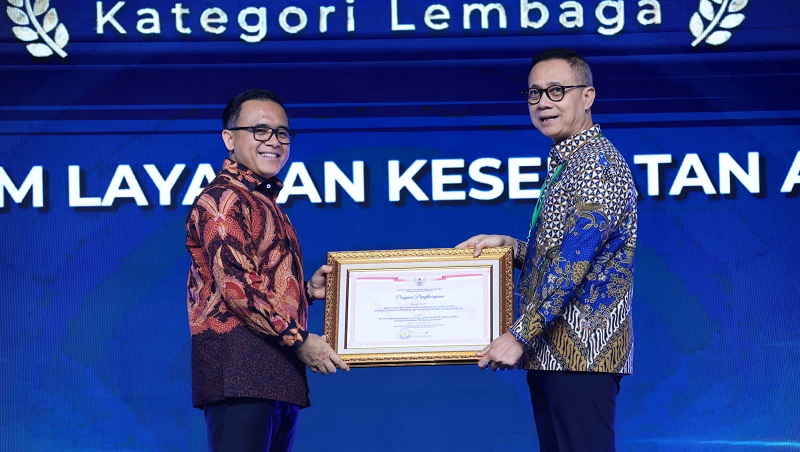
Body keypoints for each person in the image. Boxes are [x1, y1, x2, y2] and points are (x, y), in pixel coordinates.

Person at [457, 48, 637, 451]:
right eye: (534, 93)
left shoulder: (596, 165)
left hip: (581, 356)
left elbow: (575, 264)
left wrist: (519, 336)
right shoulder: (568, 163)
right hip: (554, 354)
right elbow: (570, 253)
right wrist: (513, 248)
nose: (543, 102)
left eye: (557, 90)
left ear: (587, 96)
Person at [185, 88, 349, 451]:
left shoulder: (263, 201)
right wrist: (301, 340)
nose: (273, 141)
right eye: (260, 131)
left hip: (274, 375)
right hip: (240, 374)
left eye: (281, 133)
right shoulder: (223, 200)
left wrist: (305, 291)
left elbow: (251, 284)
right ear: (229, 138)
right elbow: (236, 290)